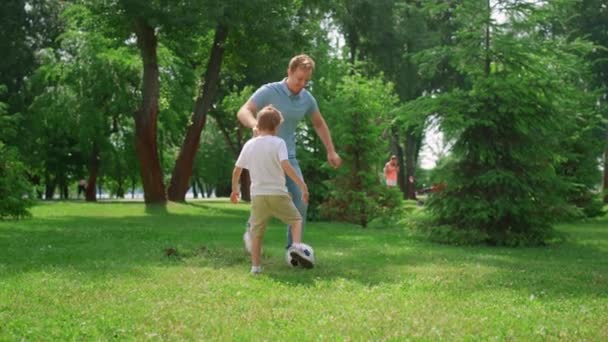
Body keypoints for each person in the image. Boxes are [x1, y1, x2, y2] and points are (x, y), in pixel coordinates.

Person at [237, 54, 342, 258]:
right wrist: (254, 126)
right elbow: (244, 110)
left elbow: (319, 123)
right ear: (289, 72)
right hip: (265, 155)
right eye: (298, 79)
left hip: (288, 155)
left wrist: (331, 150)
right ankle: (251, 231)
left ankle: (293, 249)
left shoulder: (307, 98)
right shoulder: (270, 90)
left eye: (306, 81)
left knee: (301, 199)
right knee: (263, 198)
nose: (301, 84)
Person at [231, 105, 313, 274]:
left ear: (258, 125)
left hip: (258, 196)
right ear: (276, 127)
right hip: (277, 193)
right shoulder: (279, 143)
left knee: (256, 234)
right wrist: (302, 185)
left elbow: (237, 169)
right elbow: (286, 165)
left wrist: (234, 190)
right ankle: (296, 248)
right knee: (296, 220)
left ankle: (255, 267)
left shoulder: (249, 145)